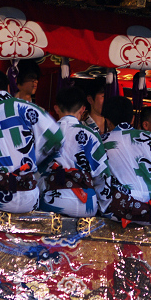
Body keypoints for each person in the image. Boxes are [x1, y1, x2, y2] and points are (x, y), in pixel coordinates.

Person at [0, 69, 63, 213]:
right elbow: (56, 137)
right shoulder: (26, 107)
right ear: (8, 88)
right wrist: (32, 162)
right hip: (28, 195)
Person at [39, 86, 112, 217]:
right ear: (83, 109)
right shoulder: (91, 134)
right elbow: (103, 175)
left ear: (56, 108)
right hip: (87, 204)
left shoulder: (46, 133)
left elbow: (36, 171)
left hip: (54, 200)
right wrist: (104, 208)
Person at [101, 96, 151, 227]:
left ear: (107, 121)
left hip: (120, 211)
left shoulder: (102, 141)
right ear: (132, 119)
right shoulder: (150, 137)